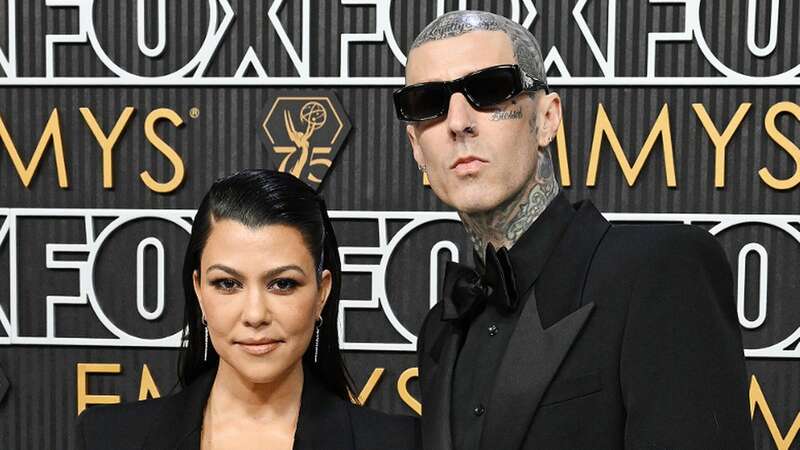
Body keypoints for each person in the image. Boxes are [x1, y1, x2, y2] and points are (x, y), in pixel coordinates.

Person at [395, 10, 754, 450]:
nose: (458, 122)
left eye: (490, 91)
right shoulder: (440, 330)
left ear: (547, 119)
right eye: (427, 103)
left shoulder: (660, 271)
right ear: (416, 148)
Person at [75, 170, 420, 450]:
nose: (255, 314)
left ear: (321, 294)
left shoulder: (399, 442)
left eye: (283, 284)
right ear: (198, 291)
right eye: (227, 284)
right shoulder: (109, 437)